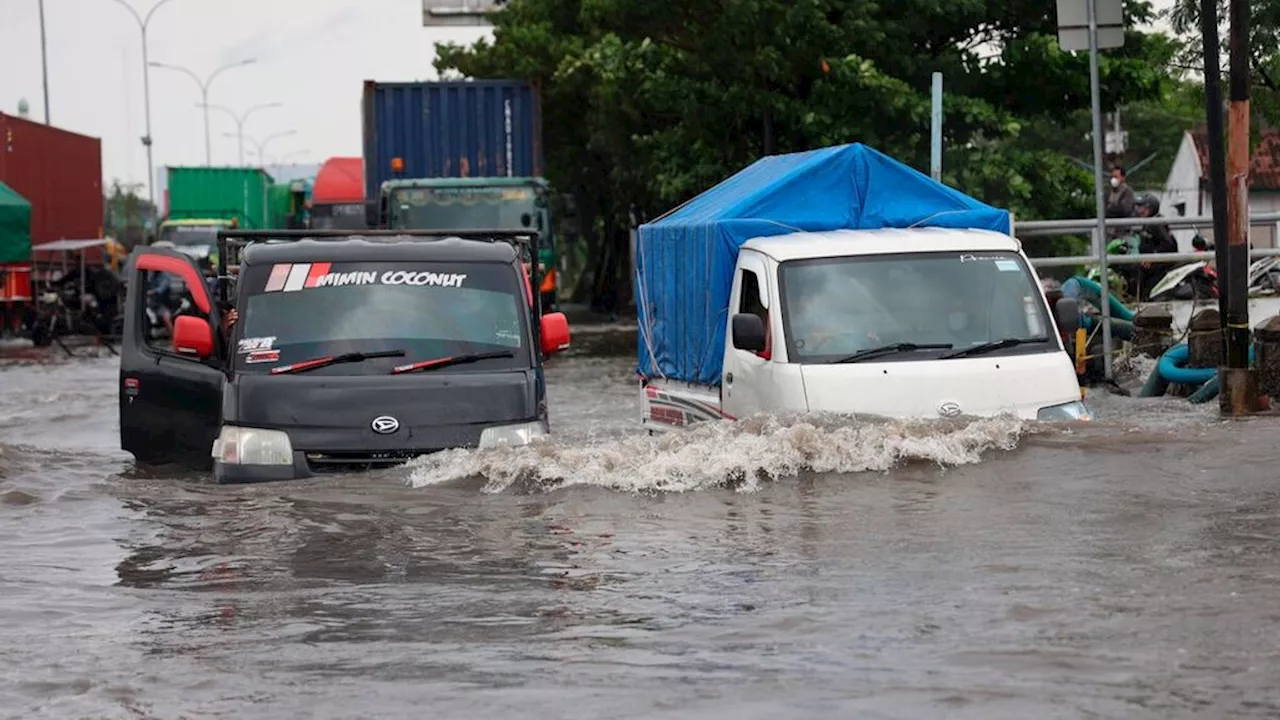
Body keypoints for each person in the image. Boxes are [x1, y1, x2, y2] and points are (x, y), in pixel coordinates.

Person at [1132, 193, 1178, 300]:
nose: (1140, 210)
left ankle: (1143, 299)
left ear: (1151, 207)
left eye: (1143, 207)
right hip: (1150, 260)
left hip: (1160, 263)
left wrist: (1152, 257)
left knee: (1139, 274)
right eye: (1139, 207)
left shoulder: (1156, 222)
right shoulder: (1148, 221)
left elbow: (1168, 244)